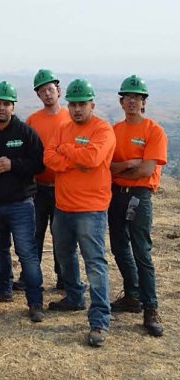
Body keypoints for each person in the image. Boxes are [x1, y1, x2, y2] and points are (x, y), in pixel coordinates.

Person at [44, 79, 116, 347]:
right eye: (73, 104)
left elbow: (94, 159)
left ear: (92, 104)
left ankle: (99, 319)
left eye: (82, 104)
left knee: (95, 263)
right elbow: (49, 159)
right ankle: (74, 297)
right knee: (64, 255)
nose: (76, 109)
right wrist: (76, 159)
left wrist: (67, 152)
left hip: (91, 209)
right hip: (63, 207)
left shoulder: (103, 129)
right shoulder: (63, 128)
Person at [0, 81, 46, 323]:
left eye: (6, 104)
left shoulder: (25, 133)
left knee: (27, 253)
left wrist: (13, 165)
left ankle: (35, 301)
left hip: (21, 204)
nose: (1, 108)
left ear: (13, 107)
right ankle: (3, 289)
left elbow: (39, 164)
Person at [108, 75, 167, 337]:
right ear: (121, 102)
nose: (132, 101)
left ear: (143, 102)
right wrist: (127, 165)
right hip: (116, 195)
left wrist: (126, 168)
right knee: (120, 247)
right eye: (128, 97)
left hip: (140, 196)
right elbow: (106, 167)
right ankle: (132, 295)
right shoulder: (114, 131)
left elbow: (146, 169)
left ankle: (150, 307)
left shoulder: (154, 131)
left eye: (137, 98)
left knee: (141, 250)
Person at [26, 69, 71, 290]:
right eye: (42, 91)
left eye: (50, 89)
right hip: (38, 187)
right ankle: (31, 278)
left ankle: (63, 277)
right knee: (34, 234)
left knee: (61, 235)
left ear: (59, 91)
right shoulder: (33, 120)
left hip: (64, 187)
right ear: (38, 95)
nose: (47, 94)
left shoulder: (70, 118)